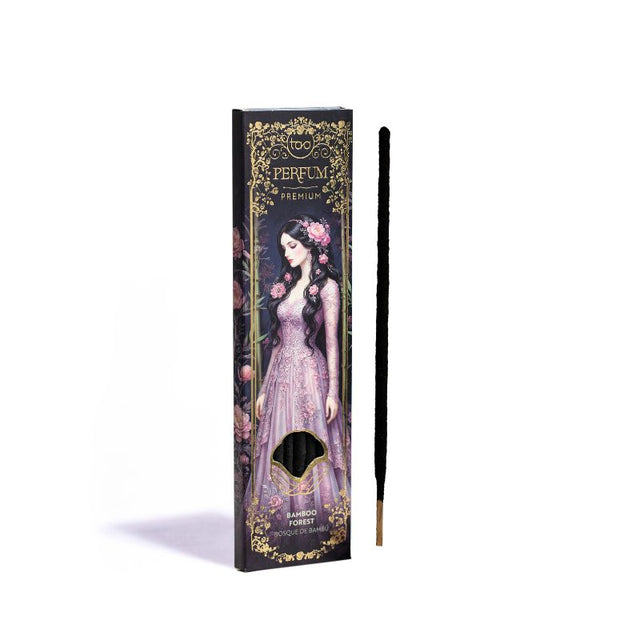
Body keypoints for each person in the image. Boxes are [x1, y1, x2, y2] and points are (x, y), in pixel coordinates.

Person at [243, 214, 349, 538]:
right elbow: (277, 343)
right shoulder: (287, 286)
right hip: (281, 378)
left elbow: (332, 342)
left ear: (309, 245)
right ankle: (285, 519)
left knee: (310, 443)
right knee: (280, 442)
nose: (287, 253)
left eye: (292, 246)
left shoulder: (327, 288)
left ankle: (312, 518)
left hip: (310, 375)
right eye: (283, 247)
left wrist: (332, 392)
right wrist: (264, 389)